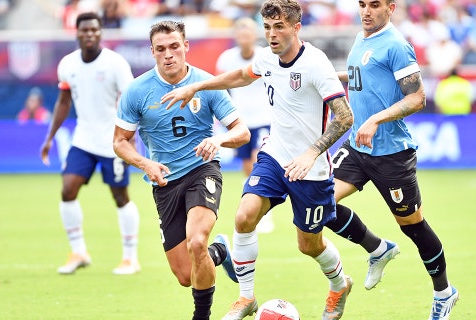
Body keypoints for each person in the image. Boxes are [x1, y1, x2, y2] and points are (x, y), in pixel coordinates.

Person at [161, 1, 355, 319]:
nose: (272, 34)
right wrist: (196, 85)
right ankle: (246, 297)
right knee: (244, 217)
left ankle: (338, 285)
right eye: (267, 27)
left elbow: (345, 118)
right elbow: (240, 75)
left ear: (296, 28)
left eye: (279, 27)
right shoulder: (266, 57)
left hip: (312, 168)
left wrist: (311, 153)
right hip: (275, 155)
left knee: (309, 245)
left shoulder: (316, 64)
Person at [113, 20, 250, 320]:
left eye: (175, 46)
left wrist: (218, 139)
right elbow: (119, 142)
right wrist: (145, 163)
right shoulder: (137, 91)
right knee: (186, 275)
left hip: (202, 172)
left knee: (197, 240)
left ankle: (201, 316)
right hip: (165, 184)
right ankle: (220, 252)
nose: (169, 54)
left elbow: (242, 132)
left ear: (186, 46)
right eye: (160, 49)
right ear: (152, 52)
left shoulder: (206, 83)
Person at [332, 0, 459, 319]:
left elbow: (417, 97)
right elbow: (358, 76)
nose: (366, 11)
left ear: (391, 7)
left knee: (412, 227)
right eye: (362, 4)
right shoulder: (362, 38)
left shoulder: (397, 45)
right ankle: (377, 249)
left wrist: (375, 119)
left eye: (374, 5)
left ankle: (444, 292)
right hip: (359, 148)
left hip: (392, 154)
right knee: (317, 203)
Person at [40, 12, 142, 276]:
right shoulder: (68, 64)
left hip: (114, 141)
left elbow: (131, 101)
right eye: (84, 30)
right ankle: (78, 252)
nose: (89, 34)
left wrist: (132, 139)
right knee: (67, 190)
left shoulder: (115, 63)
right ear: (77, 33)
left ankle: (130, 258)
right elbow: (63, 101)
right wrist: (50, 137)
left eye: (94, 30)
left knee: (120, 196)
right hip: (83, 139)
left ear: (100, 33)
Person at [215, 16, 275, 234]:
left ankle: (266, 213)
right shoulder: (226, 60)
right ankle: (253, 206)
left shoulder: (265, 56)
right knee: (247, 168)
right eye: (240, 34)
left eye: (248, 33)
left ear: (254, 35)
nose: (244, 38)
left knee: (258, 161)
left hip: (264, 119)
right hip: (240, 121)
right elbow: (224, 89)